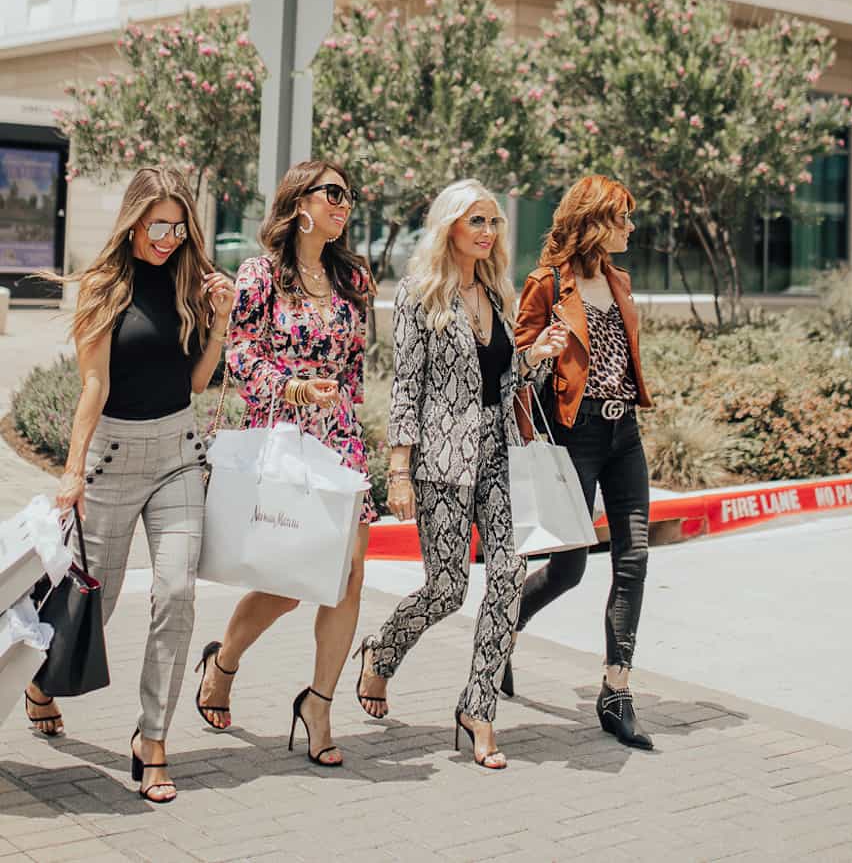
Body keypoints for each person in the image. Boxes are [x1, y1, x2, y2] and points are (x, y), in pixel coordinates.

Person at [24, 166, 235, 804]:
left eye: (178, 226)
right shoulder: (103, 286)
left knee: (176, 594)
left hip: (178, 450)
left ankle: (152, 740)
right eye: (156, 226)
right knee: (100, 599)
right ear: (133, 222)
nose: (168, 238)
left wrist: (220, 320)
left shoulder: (189, 283)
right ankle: (40, 683)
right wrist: (71, 472)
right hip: (113, 456)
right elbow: (94, 386)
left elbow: (197, 384)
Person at [353, 180, 562, 770]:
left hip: (497, 455)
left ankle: (479, 707)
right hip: (441, 461)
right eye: (477, 221)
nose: (488, 232)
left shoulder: (498, 293)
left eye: (493, 222)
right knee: (447, 588)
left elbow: (506, 380)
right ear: (450, 226)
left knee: (508, 573)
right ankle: (382, 652)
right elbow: (406, 387)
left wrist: (536, 357)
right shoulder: (421, 295)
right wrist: (399, 469)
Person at [194, 158, 375, 769]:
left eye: (348, 196)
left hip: (341, 440)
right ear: (300, 204)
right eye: (332, 194)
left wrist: (349, 422)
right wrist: (292, 387)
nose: (343, 204)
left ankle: (319, 703)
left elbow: (355, 368)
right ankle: (223, 662)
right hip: (282, 434)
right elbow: (240, 354)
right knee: (287, 583)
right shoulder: (260, 274)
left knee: (347, 574)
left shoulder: (352, 278)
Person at [510, 174, 655, 750]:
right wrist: (539, 352)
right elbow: (516, 364)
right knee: (570, 568)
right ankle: (505, 632)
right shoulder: (547, 283)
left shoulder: (618, 280)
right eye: (623, 217)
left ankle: (616, 689)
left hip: (626, 433)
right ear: (595, 219)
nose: (631, 227)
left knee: (634, 557)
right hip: (577, 435)